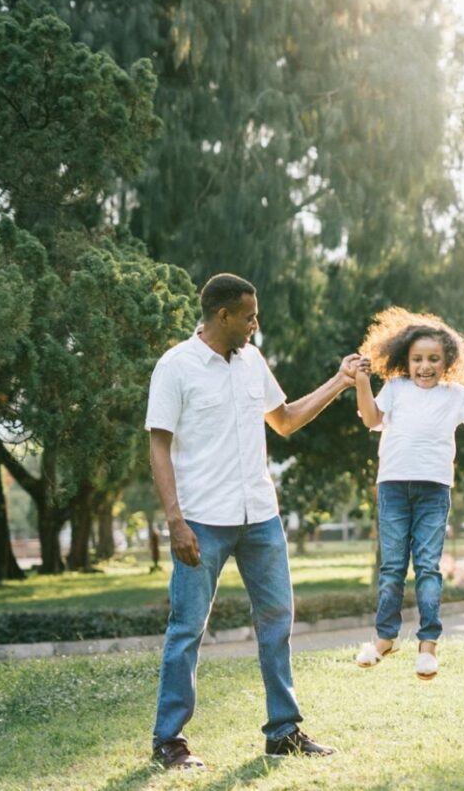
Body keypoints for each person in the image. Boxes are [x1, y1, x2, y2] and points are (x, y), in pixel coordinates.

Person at [145, 273, 359, 769]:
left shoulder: (252, 361)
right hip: (202, 520)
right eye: (249, 316)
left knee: (277, 621)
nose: (255, 324)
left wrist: (340, 381)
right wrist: (175, 521)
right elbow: (158, 444)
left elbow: (284, 419)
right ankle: (169, 740)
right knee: (187, 629)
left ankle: (283, 731)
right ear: (223, 316)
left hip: (260, 516)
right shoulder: (176, 366)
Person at [351, 307, 464, 680]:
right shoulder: (395, 388)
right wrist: (362, 381)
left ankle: (428, 647)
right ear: (405, 361)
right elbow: (371, 419)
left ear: (448, 362)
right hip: (393, 486)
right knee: (393, 567)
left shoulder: (454, 395)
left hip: (433, 490)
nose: (424, 366)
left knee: (427, 567)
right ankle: (384, 639)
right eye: (417, 359)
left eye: (433, 359)